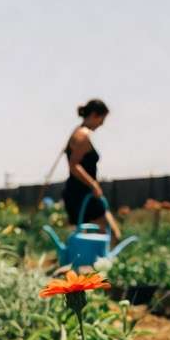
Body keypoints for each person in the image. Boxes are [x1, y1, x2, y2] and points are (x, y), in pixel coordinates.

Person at [62, 98, 119, 241]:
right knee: (111, 237)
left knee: (89, 240)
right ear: (94, 115)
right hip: (82, 193)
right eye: (101, 119)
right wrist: (93, 184)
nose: (102, 124)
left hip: (80, 193)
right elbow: (74, 165)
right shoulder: (83, 135)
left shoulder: (78, 132)